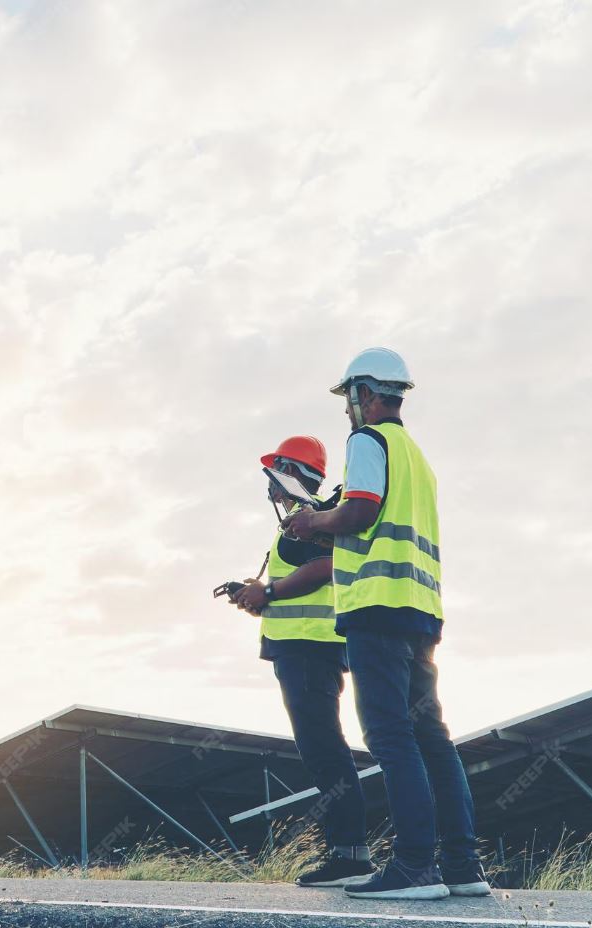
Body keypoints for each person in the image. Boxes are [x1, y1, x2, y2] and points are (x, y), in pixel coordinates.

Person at [283, 347, 489, 901]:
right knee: (432, 738)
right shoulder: (417, 458)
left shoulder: (367, 441)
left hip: (376, 608)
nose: (347, 408)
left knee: (390, 737)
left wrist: (314, 520)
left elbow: (361, 510)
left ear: (364, 393)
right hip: (421, 612)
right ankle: (462, 867)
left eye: (349, 397)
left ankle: (415, 867)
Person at [227, 436, 373, 887]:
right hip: (300, 648)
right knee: (320, 748)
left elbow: (326, 566)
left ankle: (350, 856)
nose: (269, 486)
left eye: (275, 474)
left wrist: (268, 591)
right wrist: (256, 595)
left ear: (290, 472)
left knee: (324, 748)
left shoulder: (312, 521)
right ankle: (347, 852)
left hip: (310, 647)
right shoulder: (298, 524)